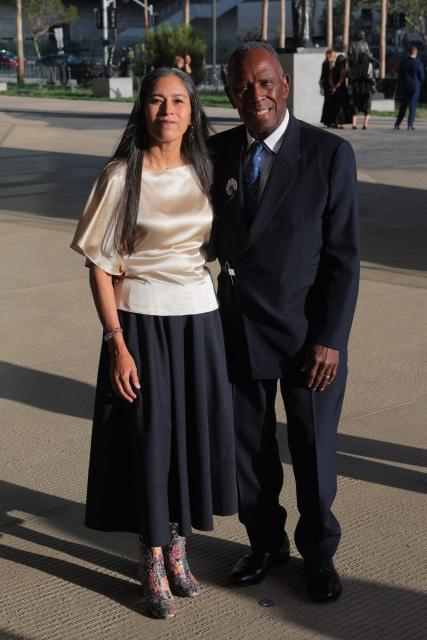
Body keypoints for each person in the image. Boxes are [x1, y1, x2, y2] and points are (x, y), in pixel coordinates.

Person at [70, 67, 237, 620]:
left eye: (178, 101)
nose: (168, 110)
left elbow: (215, 247)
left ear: (193, 111)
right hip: (140, 324)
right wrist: (115, 340)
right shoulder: (122, 176)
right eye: (157, 101)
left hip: (200, 324)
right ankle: (151, 555)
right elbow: (99, 267)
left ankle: (179, 547)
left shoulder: (207, 172)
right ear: (143, 109)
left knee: (189, 439)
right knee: (150, 441)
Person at [209, 42, 360, 602]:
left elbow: (344, 258)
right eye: (245, 86)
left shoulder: (328, 154)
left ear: (286, 85)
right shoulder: (215, 152)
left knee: (314, 454)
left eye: (266, 82)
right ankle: (265, 543)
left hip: (307, 338)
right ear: (230, 93)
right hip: (238, 330)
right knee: (250, 452)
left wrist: (330, 338)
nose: (258, 95)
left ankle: (319, 556)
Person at [348, 31, 377, 130]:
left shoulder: (352, 44)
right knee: (366, 105)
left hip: (356, 78)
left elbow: (350, 57)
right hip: (364, 83)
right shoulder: (365, 45)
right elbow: (369, 55)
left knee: (355, 104)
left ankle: (354, 124)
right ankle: (364, 124)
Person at [394, 46, 425, 130]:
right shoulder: (418, 63)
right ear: (416, 53)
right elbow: (421, 76)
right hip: (415, 86)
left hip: (405, 86)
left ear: (408, 52)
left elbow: (399, 74)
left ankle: (397, 123)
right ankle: (410, 124)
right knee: (412, 106)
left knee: (403, 106)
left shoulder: (403, 62)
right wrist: (419, 84)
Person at [331, 54, 351, 129]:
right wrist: (335, 88)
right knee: (341, 107)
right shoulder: (343, 70)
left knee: (335, 106)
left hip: (334, 90)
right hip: (341, 90)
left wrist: (332, 87)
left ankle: (335, 122)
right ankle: (340, 123)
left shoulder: (333, 69)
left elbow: (330, 79)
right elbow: (341, 81)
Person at [320, 49, 336, 128]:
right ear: (329, 55)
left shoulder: (324, 63)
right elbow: (330, 75)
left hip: (326, 85)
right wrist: (333, 86)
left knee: (327, 103)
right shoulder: (329, 63)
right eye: (333, 55)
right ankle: (330, 121)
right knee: (330, 104)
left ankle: (327, 121)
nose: (335, 56)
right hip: (330, 86)